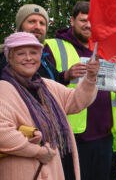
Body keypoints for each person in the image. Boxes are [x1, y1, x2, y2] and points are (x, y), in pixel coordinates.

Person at [44, 1, 116, 180]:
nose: (89, 25)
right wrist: (65, 76)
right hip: (69, 135)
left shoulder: (108, 49)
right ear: (72, 20)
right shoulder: (53, 46)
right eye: (84, 20)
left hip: (104, 135)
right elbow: (41, 84)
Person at [0, 32, 99, 180]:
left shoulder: (46, 85)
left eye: (34, 53)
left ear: (40, 56)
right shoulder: (4, 89)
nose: (28, 58)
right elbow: (2, 133)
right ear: (9, 58)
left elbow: (77, 101)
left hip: (57, 167)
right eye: (21, 53)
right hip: (24, 172)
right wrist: (37, 151)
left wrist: (90, 79)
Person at [0, 4, 73, 84]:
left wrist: (67, 75)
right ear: (20, 26)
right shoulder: (7, 57)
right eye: (31, 21)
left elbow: (53, 82)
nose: (38, 27)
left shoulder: (43, 57)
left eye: (42, 23)